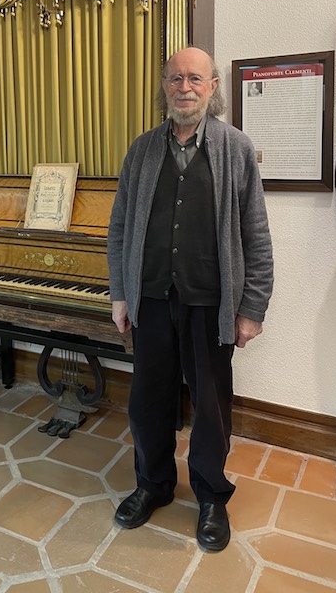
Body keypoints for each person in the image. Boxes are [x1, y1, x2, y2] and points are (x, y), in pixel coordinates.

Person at [107, 47, 273, 552]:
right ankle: (152, 485)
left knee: (211, 408)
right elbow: (119, 227)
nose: (185, 87)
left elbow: (257, 235)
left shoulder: (235, 148)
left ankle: (210, 496)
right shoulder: (140, 150)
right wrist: (120, 294)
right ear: (164, 85)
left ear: (213, 85)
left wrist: (252, 308)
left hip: (209, 304)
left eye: (195, 78)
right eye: (176, 77)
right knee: (147, 402)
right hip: (151, 300)